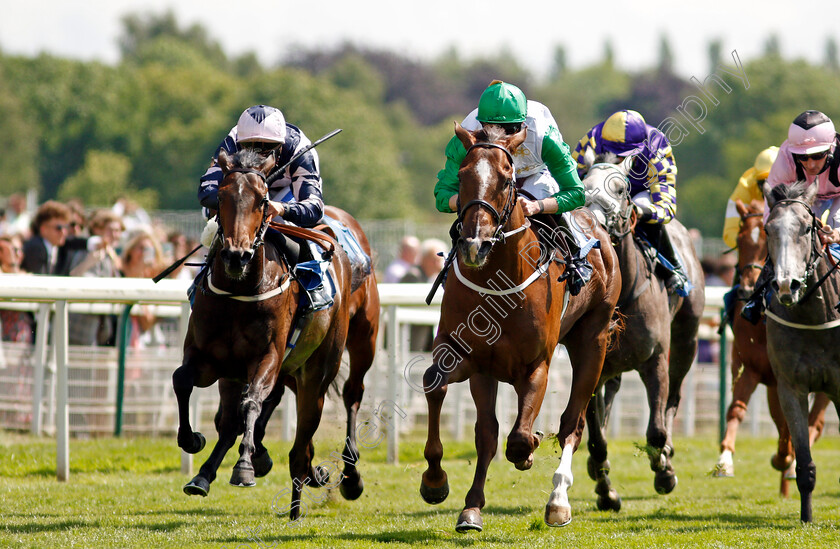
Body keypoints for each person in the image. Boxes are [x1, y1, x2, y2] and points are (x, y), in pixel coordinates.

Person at [196, 104, 330, 311]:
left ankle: (313, 286)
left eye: (266, 148)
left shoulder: (299, 148)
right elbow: (206, 191)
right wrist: (238, 206)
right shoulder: (231, 142)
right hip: (243, 193)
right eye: (250, 147)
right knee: (211, 217)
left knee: (281, 222)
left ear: (281, 146)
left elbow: (314, 208)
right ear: (240, 142)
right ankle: (202, 279)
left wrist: (281, 208)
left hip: (286, 194)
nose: (257, 154)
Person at [572, 109, 689, 296]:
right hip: (602, 189)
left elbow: (666, 207)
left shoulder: (657, 147)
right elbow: (572, 182)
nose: (619, 158)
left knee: (638, 202)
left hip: (639, 192)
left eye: (624, 154)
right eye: (613, 152)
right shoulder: (592, 140)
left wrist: (640, 211)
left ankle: (672, 266)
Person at [742, 111, 840, 322]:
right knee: (785, 230)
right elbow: (774, 209)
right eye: (803, 157)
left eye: (818, 155)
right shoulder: (786, 159)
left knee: (836, 227)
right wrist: (776, 232)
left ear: (830, 149)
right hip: (805, 199)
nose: (811, 164)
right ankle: (758, 297)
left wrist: (838, 233)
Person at [722, 147, 779, 249]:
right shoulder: (746, 186)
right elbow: (729, 233)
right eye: (762, 182)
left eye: (773, 182)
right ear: (755, 180)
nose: (766, 188)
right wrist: (750, 239)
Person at [21, 201, 72, 275]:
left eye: (66, 227)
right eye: (59, 228)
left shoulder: (56, 248)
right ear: (43, 229)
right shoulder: (36, 247)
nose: (63, 232)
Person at [0, 234, 34, 343]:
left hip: (20, 336)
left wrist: (11, 265)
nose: (17, 254)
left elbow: (17, 286)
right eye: (13, 250)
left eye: (20, 250)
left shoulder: (26, 276)